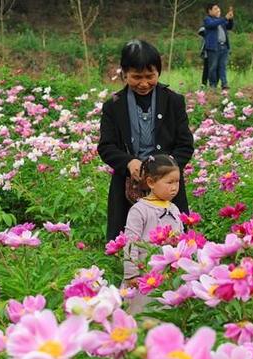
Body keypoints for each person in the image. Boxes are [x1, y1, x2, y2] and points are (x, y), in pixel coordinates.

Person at [98, 39, 194, 242]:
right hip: (127, 186)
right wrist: (128, 162)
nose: (143, 83)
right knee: (128, 245)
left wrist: (166, 170)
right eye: (136, 77)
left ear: (159, 72)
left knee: (173, 244)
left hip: (167, 185)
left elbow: (185, 145)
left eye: (150, 76)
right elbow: (106, 146)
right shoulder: (113, 106)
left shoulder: (173, 101)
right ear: (124, 74)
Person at [123, 154, 184, 312]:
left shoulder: (174, 208)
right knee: (144, 312)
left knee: (167, 312)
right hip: (145, 273)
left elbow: (182, 239)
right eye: (169, 182)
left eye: (177, 182)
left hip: (170, 273)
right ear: (150, 182)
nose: (174, 187)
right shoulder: (140, 209)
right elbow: (130, 242)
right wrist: (131, 274)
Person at [203, 3, 234, 90]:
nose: (218, 10)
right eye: (215, 9)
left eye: (218, 9)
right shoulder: (207, 19)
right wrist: (225, 18)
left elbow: (230, 27)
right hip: (213, 47)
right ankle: (213, 85)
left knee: (222, 66)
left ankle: (224, 84)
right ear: (210, 11)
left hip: (224, 46)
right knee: (213, 67)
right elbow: (212, 25)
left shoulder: (221, 20)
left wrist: (230, 19)